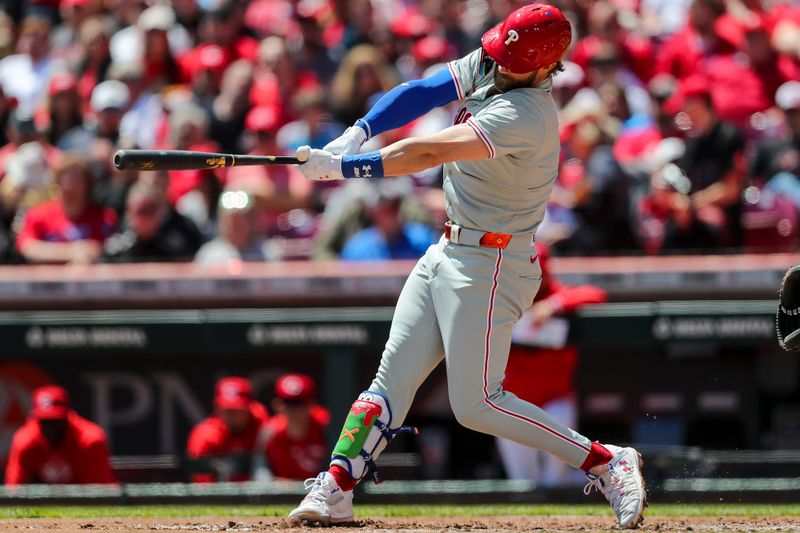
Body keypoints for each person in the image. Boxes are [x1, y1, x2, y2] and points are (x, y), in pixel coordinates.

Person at [289, 4, 646, 529]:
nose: (497, 64)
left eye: (511, 59)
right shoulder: (500, 61)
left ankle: (607, 460)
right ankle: (336, 488)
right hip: (450, 248)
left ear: (546, 67)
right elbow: (426, 91)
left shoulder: (528, 113)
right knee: (391, 380)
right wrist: (360, 130)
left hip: (494, 261)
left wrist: (347, 167)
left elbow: (427, 151)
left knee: (477, 403)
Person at [497, 243, 607, 486]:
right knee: (522, 483)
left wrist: (553, 305)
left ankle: (559, 502)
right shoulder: (505, 299)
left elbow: (595, 294)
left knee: (553, 481)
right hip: (514, 404)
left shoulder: (557, 295)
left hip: (554, 401)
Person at [5, 385, 116, 485]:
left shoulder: (90, 440)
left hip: (82, 501)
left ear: (67, 415)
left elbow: (101, 494)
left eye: (55, 420)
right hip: (42, 503)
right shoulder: (24, 441)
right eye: (44, 421)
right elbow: (14, 492)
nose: (50, 427)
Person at [16, 156, 117, 265]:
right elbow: (28, 248)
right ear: (58, 181)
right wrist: (72, 252)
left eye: (77, 179)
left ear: (87, 184)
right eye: (66, 178)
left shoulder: (104, 217)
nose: (70, 185)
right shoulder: (38, 214)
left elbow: (106, 250)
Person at [187, 376, 270, 483]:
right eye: (227, 409)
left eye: (237, 410)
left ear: (250, 408)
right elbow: (202, 487)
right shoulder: (205, 436)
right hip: (222, 496)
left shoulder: (264, 427)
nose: (231, 415)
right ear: (217, 408)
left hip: (261, 496)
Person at [103, 181, 202, 262]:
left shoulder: (179, 247)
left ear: (160, 212)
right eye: (140, 211)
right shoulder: (116, 252)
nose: (145, 217)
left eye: (150, 210)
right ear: (128, 212)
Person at [261, 374, 330, 480]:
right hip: (281, 495)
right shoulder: (270, 432)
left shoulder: (325, 426)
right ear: (278, 405)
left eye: (300, 402)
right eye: (288, 402)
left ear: (312, 403)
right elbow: (261, 470)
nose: (295, 410)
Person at [194, 189, 267, 265]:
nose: (236, 225)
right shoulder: (208, 255)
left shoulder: (267, 253)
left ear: (251, 221)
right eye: (231, 220)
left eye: (241, 220)